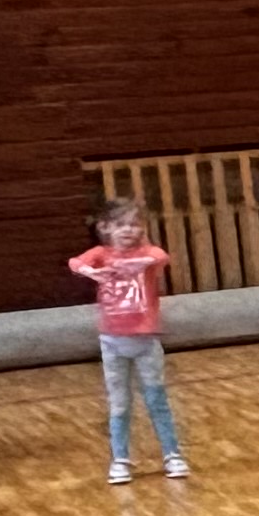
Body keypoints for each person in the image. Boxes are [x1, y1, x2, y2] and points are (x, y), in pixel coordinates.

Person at [69, 196, 188, 484]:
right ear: (105, 227)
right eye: (120, 224)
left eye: (134, 224)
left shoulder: (147, 254)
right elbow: (75, 263)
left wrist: (136, 264)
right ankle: (120, 459)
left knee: (156, 400)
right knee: (119, 404)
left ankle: (172, 454)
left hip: (145, 341)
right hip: (112, 342)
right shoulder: (101, 253)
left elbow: (160, 256)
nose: (128, 230)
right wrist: (92, 272)